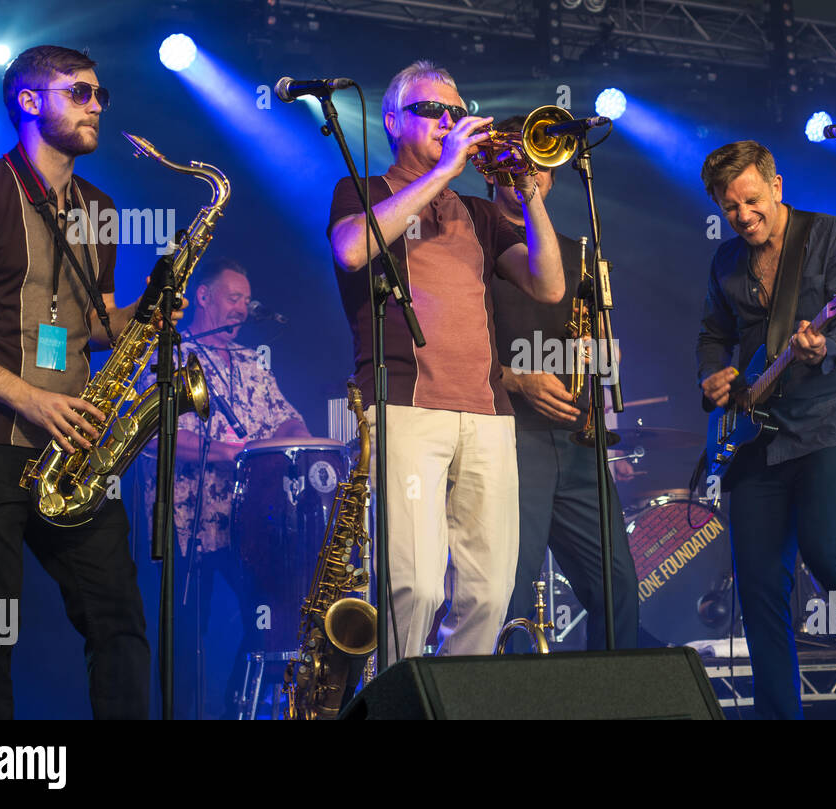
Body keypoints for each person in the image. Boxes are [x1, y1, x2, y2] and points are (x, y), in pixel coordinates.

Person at [0, 45, 162, 718]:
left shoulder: (100, 206)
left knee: (119, 619)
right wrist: (29, 397)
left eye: (100, 95)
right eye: (80, 92)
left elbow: (96, 324)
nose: (96, 106)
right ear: (30, 102)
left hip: (75, 452)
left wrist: (152, 305)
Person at [326, 62, 564, 662]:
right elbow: (353, 249)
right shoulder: (365, 190)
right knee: (415, 587)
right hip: (407, 409)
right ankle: (401, 699)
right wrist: (445, 171)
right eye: (431, 110)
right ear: (391, 120)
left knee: (489, 592)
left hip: (487, 414)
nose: (447, 121)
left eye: (455, 112)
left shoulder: (481, 216)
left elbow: (550, 286)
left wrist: (528, 191)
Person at [696, 140, 836, 719]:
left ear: (778, 187)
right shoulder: (725, 262)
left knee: (826, 549)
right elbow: (713, 334)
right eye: (729, 207)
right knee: (761, 585)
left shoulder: (830, 236)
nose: (743, 216)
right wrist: (713, 373)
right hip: (755, 438)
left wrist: (823, 346)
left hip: (827, 426)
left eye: (751, 200)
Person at [484, 116, 639, 651]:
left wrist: (602, 362)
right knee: (511, 595)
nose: (528, 174)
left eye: (538, 165)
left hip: (577, 441)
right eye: (515, 163)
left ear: (551, 176)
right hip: (509, 435)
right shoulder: (475, 246)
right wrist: (517, 380)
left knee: (619, 588)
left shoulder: (580, 254)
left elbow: (605, 352)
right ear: (491, 170)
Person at [137, 258, 309, 717]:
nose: (241, 309)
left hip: (251, 524)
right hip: (187, 525)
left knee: (272, 617)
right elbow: (150, 436)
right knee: (186, 637)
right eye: (233, 298)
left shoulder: (253, 362)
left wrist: (294, 439)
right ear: (204, 296)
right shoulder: (168, 354)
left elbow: (288, 418)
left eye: (246, 301)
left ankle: (240, 708)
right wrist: (232, 453)